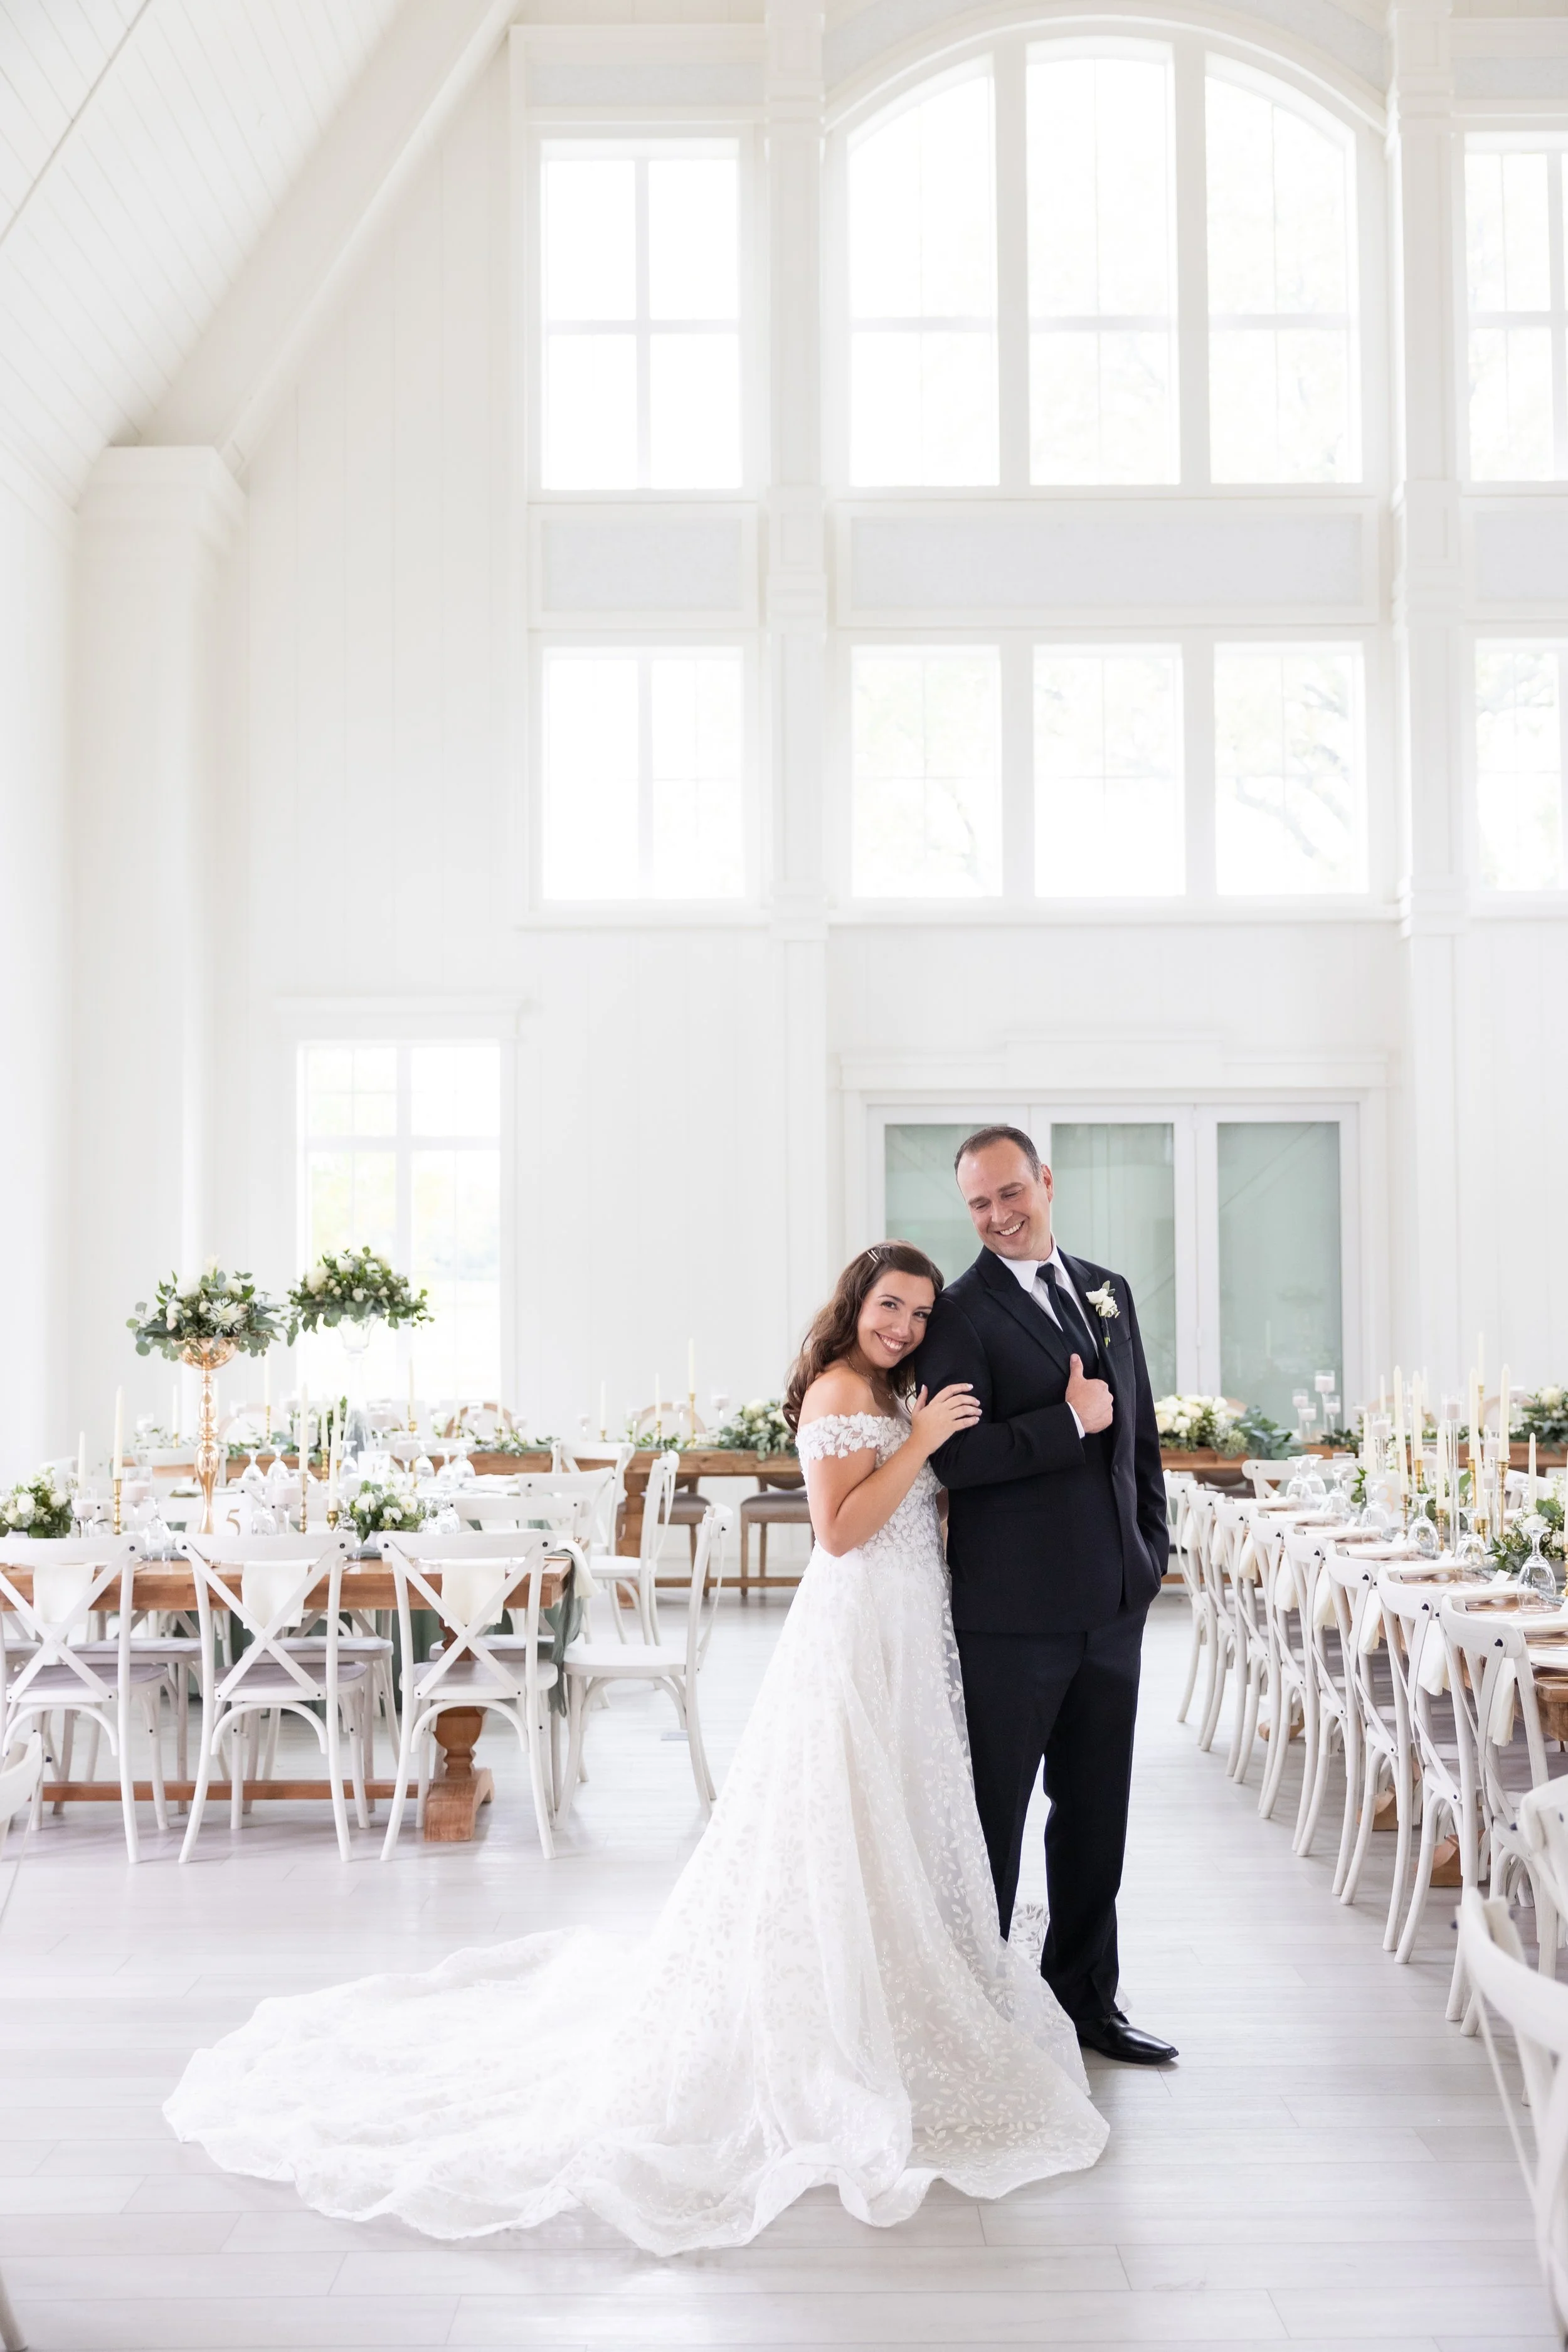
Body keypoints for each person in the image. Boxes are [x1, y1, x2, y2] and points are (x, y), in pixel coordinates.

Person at [164, 1242, 1106, 2254]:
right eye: (891, 1305)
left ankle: (888, 1985)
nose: (906, 1326)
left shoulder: (896, 1385)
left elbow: (923, 1513)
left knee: (895, 1823)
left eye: (920, 1312)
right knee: (838, 1817)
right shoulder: (844, 1387)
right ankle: (832, 2014)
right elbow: (839, 1532)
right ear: (855, 1303)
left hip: (909, 1630)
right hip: (858, 1627)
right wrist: (919, 1443)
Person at [913, 1127, 1177, 2067]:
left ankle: (1087, 2005)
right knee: (994, 1820)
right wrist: (1066, 1420)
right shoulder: (960, 1313)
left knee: (1097, 1815)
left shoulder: (1109, 1289)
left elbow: (1138, 1432)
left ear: (1046, 1181)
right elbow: (957, 1458)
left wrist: (1151, 1550)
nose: (997, 1216)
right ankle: (976, 2014)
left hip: (1113, 1605)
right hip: (1010, 1618)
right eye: (979, 1203)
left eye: (1010, 1193)